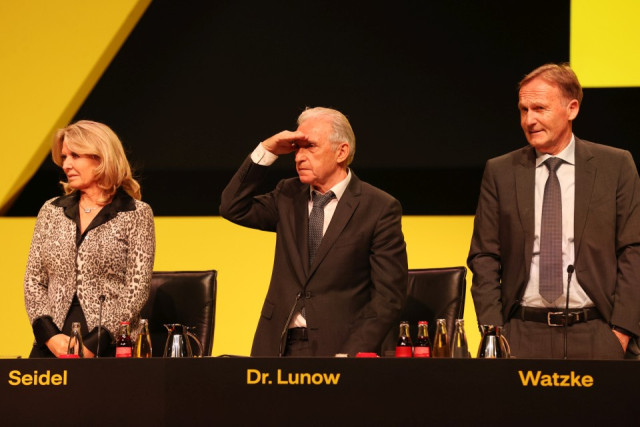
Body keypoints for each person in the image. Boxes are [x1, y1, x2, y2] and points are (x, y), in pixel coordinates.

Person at [468, 63, 640, 359]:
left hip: (597, 333)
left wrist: (622, 332)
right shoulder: (500, 171)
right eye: (523, 110)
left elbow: (633, 250)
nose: (529, 120)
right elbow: (484, 255)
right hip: (520, 334)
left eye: (539, 108)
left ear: (571, 109)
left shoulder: (615, 166)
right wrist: (493, 331)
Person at [220, 107, 408, 357]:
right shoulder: (287, 195)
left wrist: (352, 354)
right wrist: (267, 149)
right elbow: (232, 207)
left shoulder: (379, 207)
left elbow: (388, 297)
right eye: (297, 148)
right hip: (277, 346)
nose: (299, 157)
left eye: (310, 147)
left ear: (341, 152)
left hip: (341, 348)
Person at [24, 120, 155, 358]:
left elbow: (136, 289)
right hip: (53, 342)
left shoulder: (136, 213)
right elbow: (34, 281)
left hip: (109, 343)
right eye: (64, 157)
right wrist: (50, 336)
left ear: (101, 158)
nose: (67, 165)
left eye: (75, 155)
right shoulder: (51, 210)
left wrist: (94, 343)